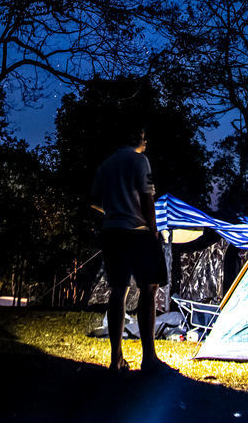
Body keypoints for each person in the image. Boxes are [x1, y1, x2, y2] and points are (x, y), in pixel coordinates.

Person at [91, 126, 168, 374]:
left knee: (118, 291)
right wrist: (153, 231)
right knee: (149, 289)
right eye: (144, 136)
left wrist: (115, 211)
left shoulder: (106, 165)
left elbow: (92, 199)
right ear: (136, 138)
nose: (146, 140)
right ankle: (149, 358)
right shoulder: (139, 160)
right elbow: (147, 199)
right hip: (136, 232)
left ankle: (116, 359)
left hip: (111, 231)